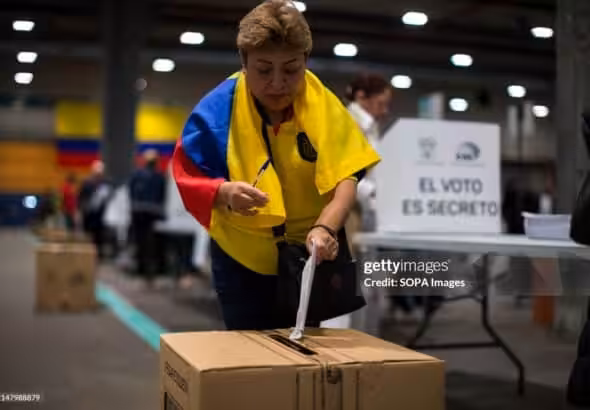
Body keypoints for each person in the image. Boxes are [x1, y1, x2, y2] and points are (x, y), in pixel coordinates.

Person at [172, 0, 380, 331]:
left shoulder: (322, 102)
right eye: (264, 70)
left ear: (306, 61)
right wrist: (223, 191)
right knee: (247, 355)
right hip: (241, 256)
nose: (278, 83)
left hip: (308, 255)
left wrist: (326, 227)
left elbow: (348, 173)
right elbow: (188, 173)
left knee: (302, 355)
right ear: (244, 63)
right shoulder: (216, 110)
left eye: (292, 69)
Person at [129, 149, 167, 285]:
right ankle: (153, 269)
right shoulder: (159, 176)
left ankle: (141, 268)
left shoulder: (137, 174)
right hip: (154, 213)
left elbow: (131, 191)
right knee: (153, 243)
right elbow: (163, 195)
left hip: (138, 211)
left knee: (140, 241)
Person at [78, 160, 111, 259]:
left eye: (100, 173)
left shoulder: (105, 184)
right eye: (97, 173)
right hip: (88, 214)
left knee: (99, 235)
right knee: (88, 234)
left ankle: (98, 254)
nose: (98, 175)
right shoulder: (87, 182)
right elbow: (81, 197)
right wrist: (82, 209)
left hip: (100, 215)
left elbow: (109, 199)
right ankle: (87, 253)